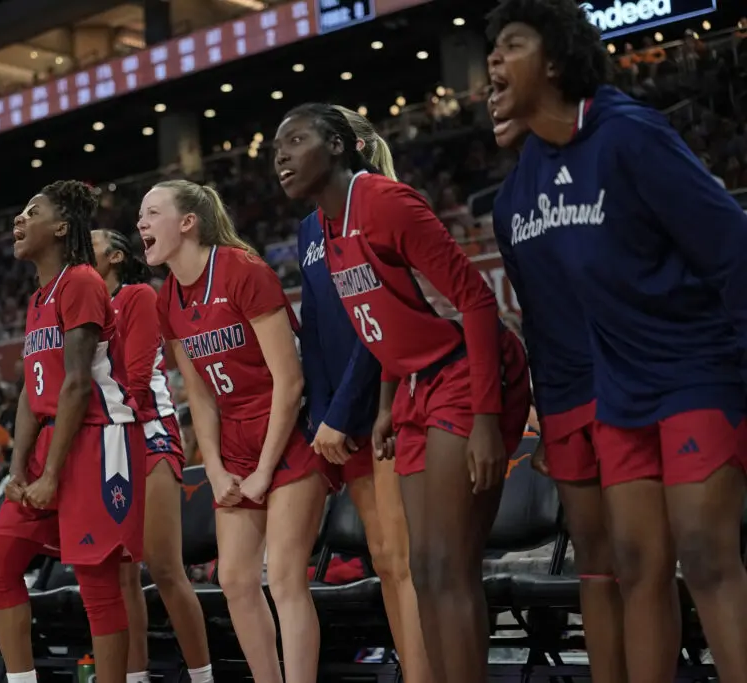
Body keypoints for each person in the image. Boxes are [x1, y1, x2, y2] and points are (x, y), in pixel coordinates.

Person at [487, 1, 747, 680]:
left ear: (554, 59)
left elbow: (732, 247)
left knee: (706, 552)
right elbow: (549, 315)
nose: (491, 59)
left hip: (693, 368)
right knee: (634, 563)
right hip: (616, 389)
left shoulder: (631, 135)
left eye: (511, 43)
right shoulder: (525, 183)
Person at [274, 106, 531, 683]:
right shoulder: (324, 224)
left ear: (339, 145)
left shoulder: (385, 201)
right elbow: (382, 322)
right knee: (425, 565)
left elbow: (477, 300)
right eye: (275, 149)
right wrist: (388, 404)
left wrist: (487, 417)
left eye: (295, 140)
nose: (281, 156)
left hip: (465, 372)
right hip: (413, 387)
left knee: (448, 564)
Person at [140, 179, 335, 683]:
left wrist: (264, 472)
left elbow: (290, 383)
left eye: (152, 212)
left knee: (287, 577)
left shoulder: (243, 271)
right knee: (234, 579)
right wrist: (218, 468)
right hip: (234, 439)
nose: (140, 223)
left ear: (188, 223)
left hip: (287, 428)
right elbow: (200, 395)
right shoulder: (168, 299)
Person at [486, 95, 633, 681]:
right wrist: (546, 418)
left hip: (629, 382)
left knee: (646, 560)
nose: (493, 97)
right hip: (568, 397)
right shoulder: (506, 204)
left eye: (506, 78)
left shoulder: (608, 149)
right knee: (595, 564)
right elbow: (537, 323)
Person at [0, 180, 144, 683]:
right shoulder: (38, 298)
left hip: (97, 437)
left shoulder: (82, 281)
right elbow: (33, 392)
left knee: (97, 583)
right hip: (52, 439)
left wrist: (50, 473)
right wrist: (17, 466)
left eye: (33, 211)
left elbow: (75, 384)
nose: (19, 220)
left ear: (62, 226)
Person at [296, 106, 432, 683]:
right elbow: (317, 331)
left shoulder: (383, 205)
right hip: (339, 417)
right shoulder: (310, 227)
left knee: (404, 562)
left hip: (384, 404)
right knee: (383, 559)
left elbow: (373, 330)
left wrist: (344, 412)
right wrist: (320, 418)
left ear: (342, 146)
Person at [91, 228, 213, 683]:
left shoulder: (138, 295)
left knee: (163, 566)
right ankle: (135, 677)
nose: (84, 246)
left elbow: (137, 380)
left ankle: (202, 677)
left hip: (149, 430)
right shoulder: (80, 303)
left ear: (117, 256)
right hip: (108, 440)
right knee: (123, 574)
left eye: (95, 241)